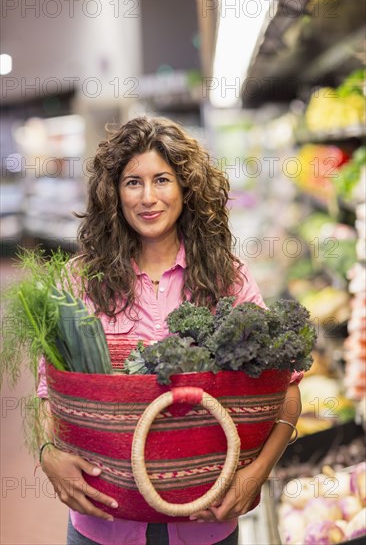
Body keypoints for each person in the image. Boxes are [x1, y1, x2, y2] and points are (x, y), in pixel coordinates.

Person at [37, 116, 302, 545]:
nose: (148, 198)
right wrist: (48, 455)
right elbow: (47, 392)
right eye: (132, 182)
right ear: (113, 193)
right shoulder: (78, 281)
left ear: (186, 188)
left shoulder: (227, 279)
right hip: (104, 520)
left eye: (162, 179)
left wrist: (257, 474)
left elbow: (287, 389)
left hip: (205, 521)